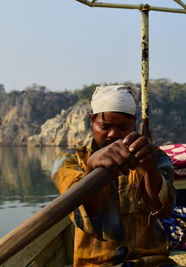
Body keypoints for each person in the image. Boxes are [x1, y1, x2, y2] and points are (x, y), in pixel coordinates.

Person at [51, 85, 177, 266]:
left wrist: (150, 170)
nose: (113, 134)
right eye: (105, 126)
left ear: (134, 123)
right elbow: (86, 218)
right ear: (92, 121)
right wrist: (92, 166)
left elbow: (164, 210)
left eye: (123, 127)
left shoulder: (155, 157)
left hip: (152, 262)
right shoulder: (68, 161)